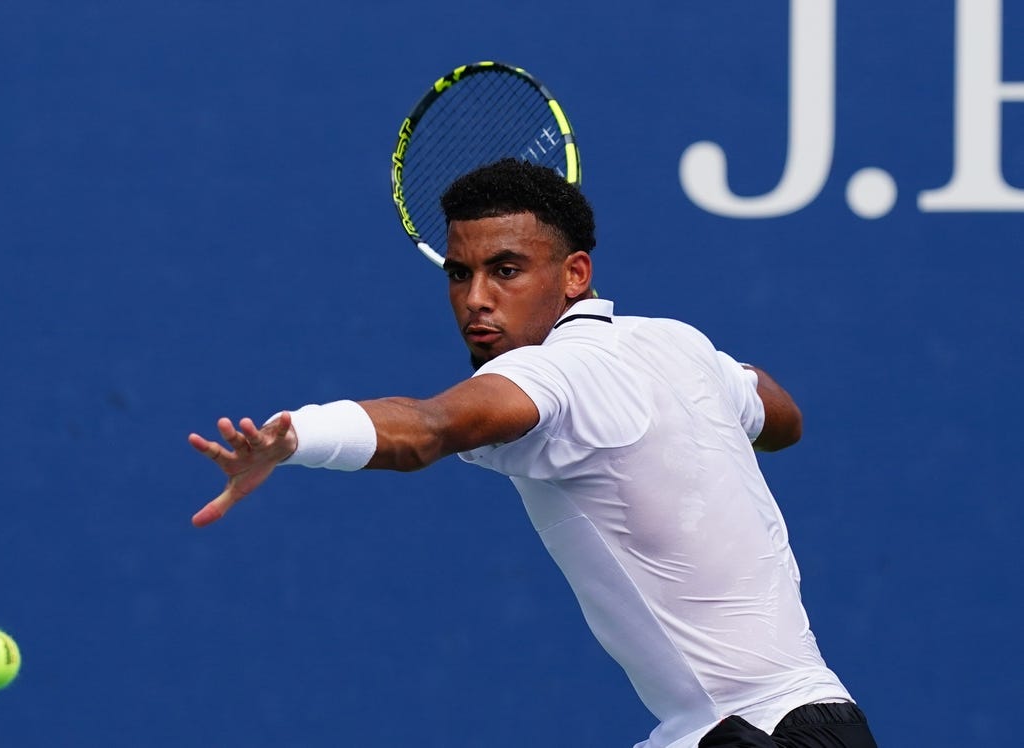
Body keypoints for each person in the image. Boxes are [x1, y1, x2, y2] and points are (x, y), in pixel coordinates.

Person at [188, 158, 878, 748]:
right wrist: (709, 405)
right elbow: (782, 418)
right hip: (804, 723)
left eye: (506, 270)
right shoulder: (678, 343)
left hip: (762, 732)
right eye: (459, 274)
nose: (476, 300)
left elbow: (429, 426)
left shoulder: (557, 373)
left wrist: (297, 437)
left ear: (575, 274)